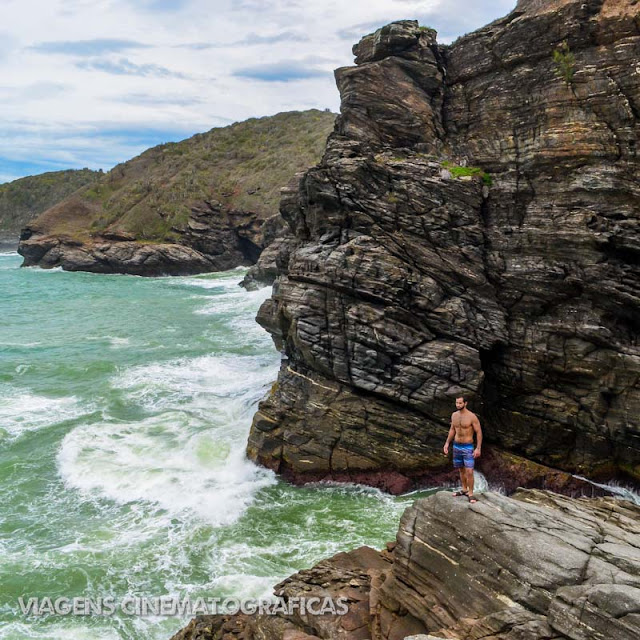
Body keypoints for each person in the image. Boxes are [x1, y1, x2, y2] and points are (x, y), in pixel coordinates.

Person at [443, 395, 482, 503]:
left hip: (468, 446)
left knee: (469, 470)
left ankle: (471, 493)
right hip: (456, 445)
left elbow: (479, 432)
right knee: (461, 469)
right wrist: (447, 443)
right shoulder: (454, 415)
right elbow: (452, 430)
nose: (458, 405)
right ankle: (464, 489)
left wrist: (478, 448)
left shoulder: (472, 416)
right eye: (457, 403)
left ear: (465, 403)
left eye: (460, 403)